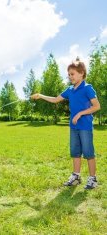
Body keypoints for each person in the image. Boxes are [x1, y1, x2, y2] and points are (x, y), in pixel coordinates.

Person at [31, 57, 101, 189]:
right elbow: (55, 99)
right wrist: (40, 95)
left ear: (81, 73)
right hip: (73, 127)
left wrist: (80, 113)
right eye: (68, 74)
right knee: (75, 152)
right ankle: (76, 177)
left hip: (85, 127)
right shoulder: (69, 90)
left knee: (88, 153)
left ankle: (93, 179)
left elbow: (96, 106)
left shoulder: (87, 88)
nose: (70, 77)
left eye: (72, 74)